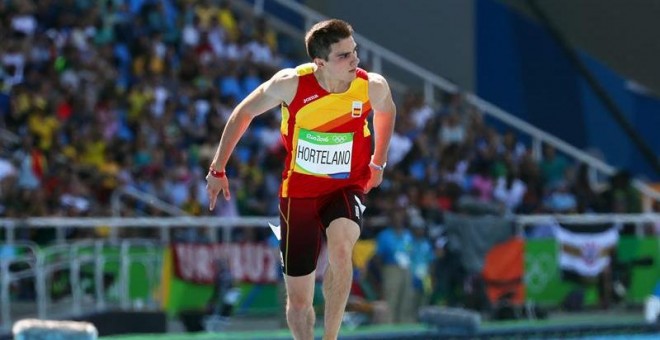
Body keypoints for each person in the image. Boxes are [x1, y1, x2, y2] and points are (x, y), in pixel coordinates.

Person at [205, 19, 396, 340]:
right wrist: (217, 169)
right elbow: (243, 112)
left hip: (346, 186)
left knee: (340, 249)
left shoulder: (371, 86)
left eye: (355, 52)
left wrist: (378, 162)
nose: (355, 61)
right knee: (299, 301)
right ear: (319, 62)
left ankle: (331, 337)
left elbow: (387, 111)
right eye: (343, 56)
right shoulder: (290, 84)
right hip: (300, 194)